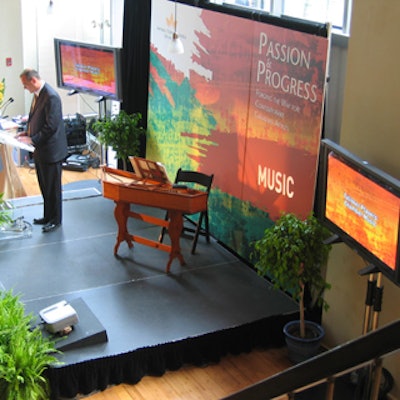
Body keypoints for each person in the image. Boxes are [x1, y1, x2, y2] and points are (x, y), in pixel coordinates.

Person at [18, 68, 68, 233]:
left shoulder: (51, 96)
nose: (25, 88)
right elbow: (35, 119)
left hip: (51, 152)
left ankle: (55, 220)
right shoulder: (38, 95)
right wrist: (27, 132)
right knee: (44, 186)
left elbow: (51, 126)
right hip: (41, 150)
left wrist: (32, 139)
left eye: (25, 84)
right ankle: (47, 216)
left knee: (53, 188)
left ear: (33, 81)